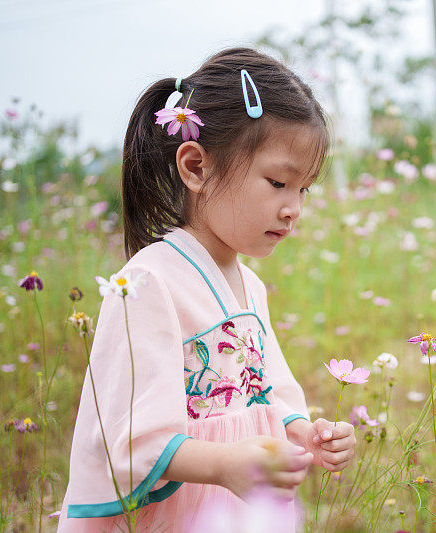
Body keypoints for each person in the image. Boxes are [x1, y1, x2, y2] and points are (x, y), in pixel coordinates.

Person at [58, 47, 356, 532]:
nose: (293, 208)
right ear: (195, 167)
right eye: (278, 182)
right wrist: (223, 465)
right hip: (183, 510)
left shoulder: (250, 287)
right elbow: (131, 436)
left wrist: (306, 432)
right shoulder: (146, 283)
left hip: (241, 505)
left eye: (303, 190)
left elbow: (266, 393)